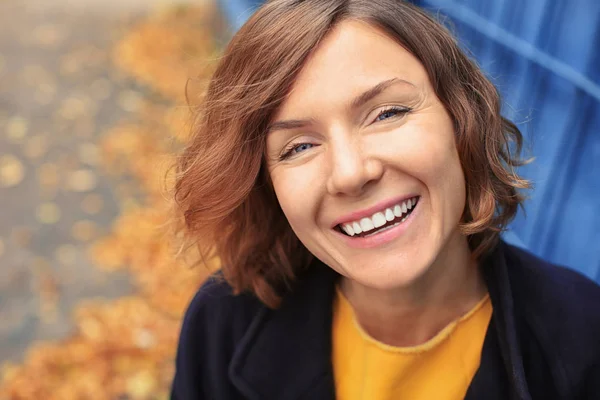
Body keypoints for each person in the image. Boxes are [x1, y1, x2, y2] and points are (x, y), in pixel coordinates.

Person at [170, 1, 600, 399]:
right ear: (266, 185)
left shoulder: (584, 336)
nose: (351, 173)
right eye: (298, 146)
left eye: (387, 114)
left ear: (461, 119)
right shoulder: (223, 322)